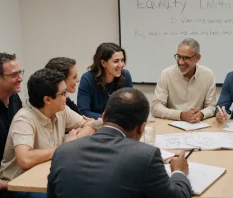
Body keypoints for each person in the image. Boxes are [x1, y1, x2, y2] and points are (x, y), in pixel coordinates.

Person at [47, 88, 192, 198]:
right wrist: (179, 171)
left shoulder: (62, 151)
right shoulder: (146, 156)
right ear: (141, 127)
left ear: (103, 117)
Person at [0, 69, 97, 198]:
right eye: (63, 93)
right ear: (47, 100)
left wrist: (73, 140)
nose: (67, 96)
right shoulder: (24, 118)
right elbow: (25, 159)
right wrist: (63, 146)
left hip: (44, 177)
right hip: (18, 185)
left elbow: (90, 125)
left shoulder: (61, 110)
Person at [151, 38, 216, 122]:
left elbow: (211, 107)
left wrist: (201, 114)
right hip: (171, 123)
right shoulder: (166, 74)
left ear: (197, 58)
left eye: (186, 58)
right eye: (179, 56)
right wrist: (181, 115)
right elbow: (156, 107)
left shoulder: (208, 75)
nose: (181, 62)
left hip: (197, 124)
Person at [78, 43, 133, 119]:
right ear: (103, 63)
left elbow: (131, 107)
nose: (121, 65)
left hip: (119, 125)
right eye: (116, 61)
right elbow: (83, 111)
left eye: (122, 60)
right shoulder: (87, 79)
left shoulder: (125, 76)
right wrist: (110, 119)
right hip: (95, 126)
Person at [0, 53, 23, 197]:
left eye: (20, 72)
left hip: (15, 173)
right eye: (14, 75)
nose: (20, 78)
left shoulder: (15, 98)